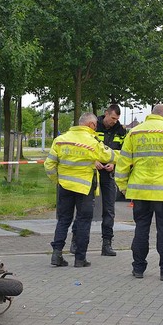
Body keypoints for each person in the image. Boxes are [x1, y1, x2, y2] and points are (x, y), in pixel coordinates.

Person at [115, 104, 163, 281]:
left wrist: (123, 185)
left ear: (151, 115)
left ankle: (138, 269)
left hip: (139, 191)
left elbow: (123, 160)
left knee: (141, 229)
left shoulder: (134, 132)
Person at [44, 112, 116, 267]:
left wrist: (58, 180)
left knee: (63, 220)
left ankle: (56, 255)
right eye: (95, 126)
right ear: (90, 125)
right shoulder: (92, 141)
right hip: (84, 188)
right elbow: (109, 156)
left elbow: (49, 165)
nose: (96, 128)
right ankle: (80, 258)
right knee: (83, 221)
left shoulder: (60, 140)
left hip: (64, 186)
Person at [70, 104, 127, 257]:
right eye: (113, 118)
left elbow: (124, 151)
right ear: (106, 114)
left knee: (109, 210)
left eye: (117, 119)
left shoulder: (121, 131)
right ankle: (76, 242)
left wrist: (114, 163)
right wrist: (93, 160)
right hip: (92, 172)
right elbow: (84, 146)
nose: (114, 121)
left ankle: (107, 244)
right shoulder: (93, 126)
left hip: (108, 174)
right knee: (84, 208)